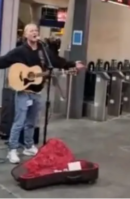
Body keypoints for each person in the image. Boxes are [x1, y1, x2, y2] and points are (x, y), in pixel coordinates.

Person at [0, 24, 84, 164]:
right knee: (19, 122)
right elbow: (3, 61)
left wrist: (72, 64)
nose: (34, 33)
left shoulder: (43, 51)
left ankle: (28, 146)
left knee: (32, 122)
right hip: (23, 91)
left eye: (36, 31)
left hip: (37, 91)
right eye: (31, 31)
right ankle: (12, 150)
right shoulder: (19, 51)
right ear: (25, 35)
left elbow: (56, 61)